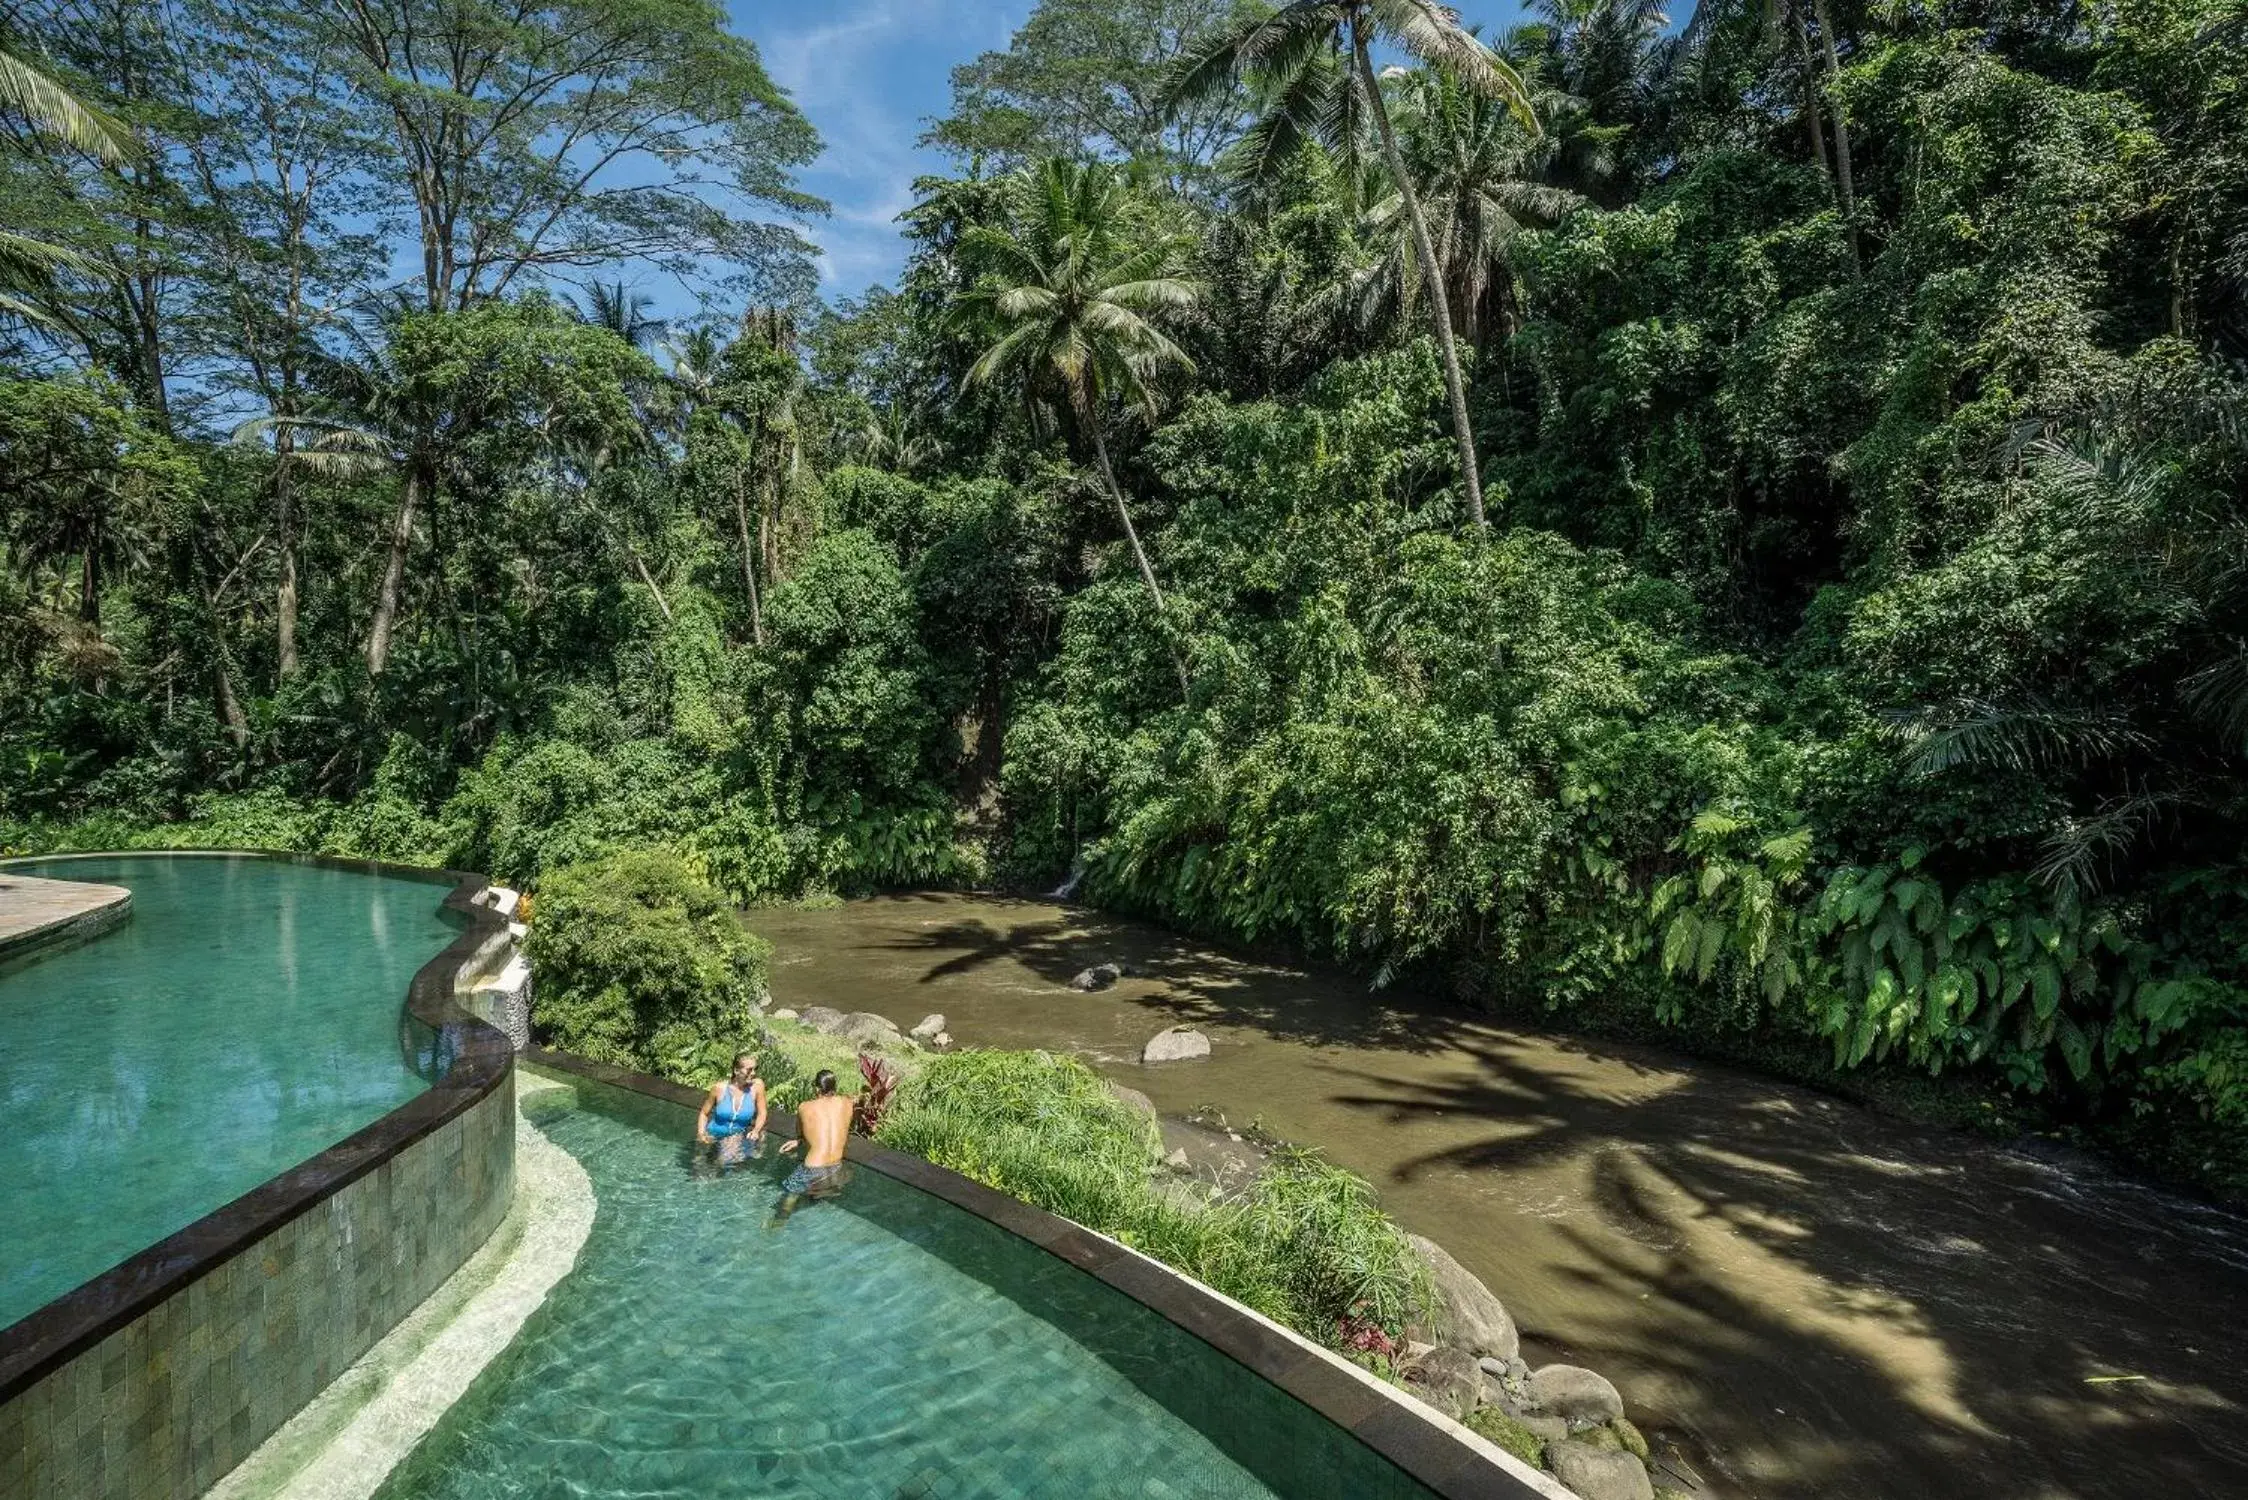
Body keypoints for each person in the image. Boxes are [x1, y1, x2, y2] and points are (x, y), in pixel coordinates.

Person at [772, 1068, 852, 1224]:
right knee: (817, 1193)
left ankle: (778, 1223)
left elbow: (801, 1133)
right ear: (834, 1088)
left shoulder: (805, 1106)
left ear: (816, 1089)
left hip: (813, 1167)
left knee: (790, 1194)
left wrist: (798, 1140)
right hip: (836, 1166)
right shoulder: (847, 1103)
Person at [695, 1052, 767, 1170]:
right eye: (749, 1070)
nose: (753, 1073)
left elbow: (762, 1112)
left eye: (755, 1069)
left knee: (723, 1163)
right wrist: (701, 1133)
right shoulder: (719, 1089)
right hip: (713, 1134)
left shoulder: (757, 1087)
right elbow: (704, 1113)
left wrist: (756, 1130)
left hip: (736, 1135)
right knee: (699, 1167)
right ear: (736, 1070)